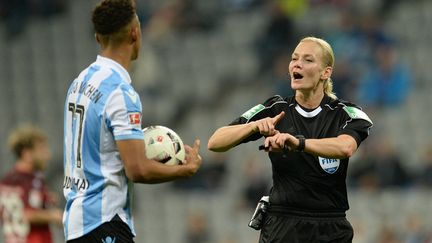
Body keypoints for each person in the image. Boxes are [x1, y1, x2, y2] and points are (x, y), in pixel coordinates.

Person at [208, 36, 373, 243]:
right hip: (282, 224)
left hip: (330, 227)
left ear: (326, 72)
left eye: (308, 60)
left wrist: (298, 143)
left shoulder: (347, 113)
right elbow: (215, 142)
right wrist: (254, 125)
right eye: (294, 58)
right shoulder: (275, 109)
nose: (297, 64)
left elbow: (345, 147)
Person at [62, 0, 202, 242]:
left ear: (98, 37)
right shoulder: (119, 92)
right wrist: (184, 170)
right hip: (102, 222)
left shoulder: (80, 81)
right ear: (136, 34)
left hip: (78, 220)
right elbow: (137, 169)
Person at [0, 125, 63, 243]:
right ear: (27, 154)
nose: (47, 155)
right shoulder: (30, 180)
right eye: (42, 149)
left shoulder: (6, 180)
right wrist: (53, 215)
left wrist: (46, 198)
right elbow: (26, 213)